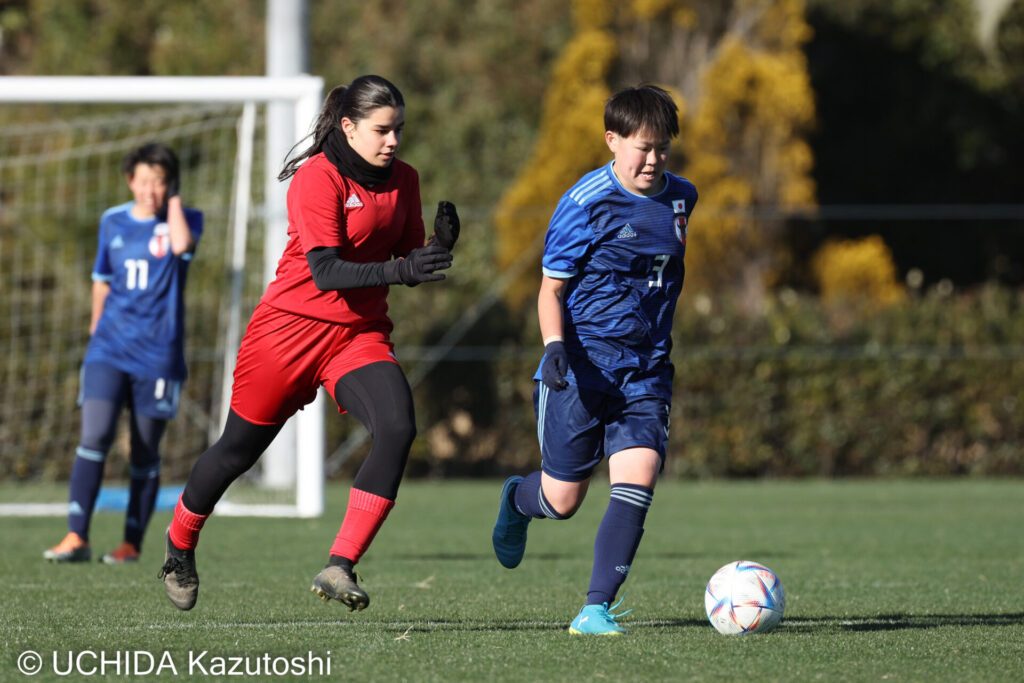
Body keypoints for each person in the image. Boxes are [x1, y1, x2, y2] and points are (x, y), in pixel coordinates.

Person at [159, 75, 459, 612]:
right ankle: (179, 545)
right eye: (382, 130)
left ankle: (340, 563)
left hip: (357, 336)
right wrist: (402, 265)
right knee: (236, 452)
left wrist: (436, 249)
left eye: (399, 131)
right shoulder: (317, 178)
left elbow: (407, 263)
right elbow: (325, 271)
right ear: (347, 126)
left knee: (397, 426)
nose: (394, 141)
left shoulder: (405, 179)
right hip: (286, 333)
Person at [491, 84, 696, 635]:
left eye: (663, 148)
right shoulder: (583, 204)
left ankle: (595, 608)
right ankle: (517, 498)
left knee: (640, 476)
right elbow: (550, 289)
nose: (653, 159)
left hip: (646, 370)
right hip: (580, 370)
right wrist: (555, 348)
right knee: (561, 502)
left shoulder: (683, 198)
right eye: (642, 147)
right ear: (612, 140)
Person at [44, 142, 204, 564]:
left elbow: (181, 247)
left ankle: (131, 544)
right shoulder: (112, 221)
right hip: (109, 350)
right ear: (130, 180)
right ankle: (76, 537)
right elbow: (102, 279)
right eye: (143, 179)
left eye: (160, 180)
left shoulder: (185, 220)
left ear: (170, 184)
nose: (149, 188)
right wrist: (96, 328)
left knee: (144, 450)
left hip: (159, 357)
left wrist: (172, 201)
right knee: (94, 436)